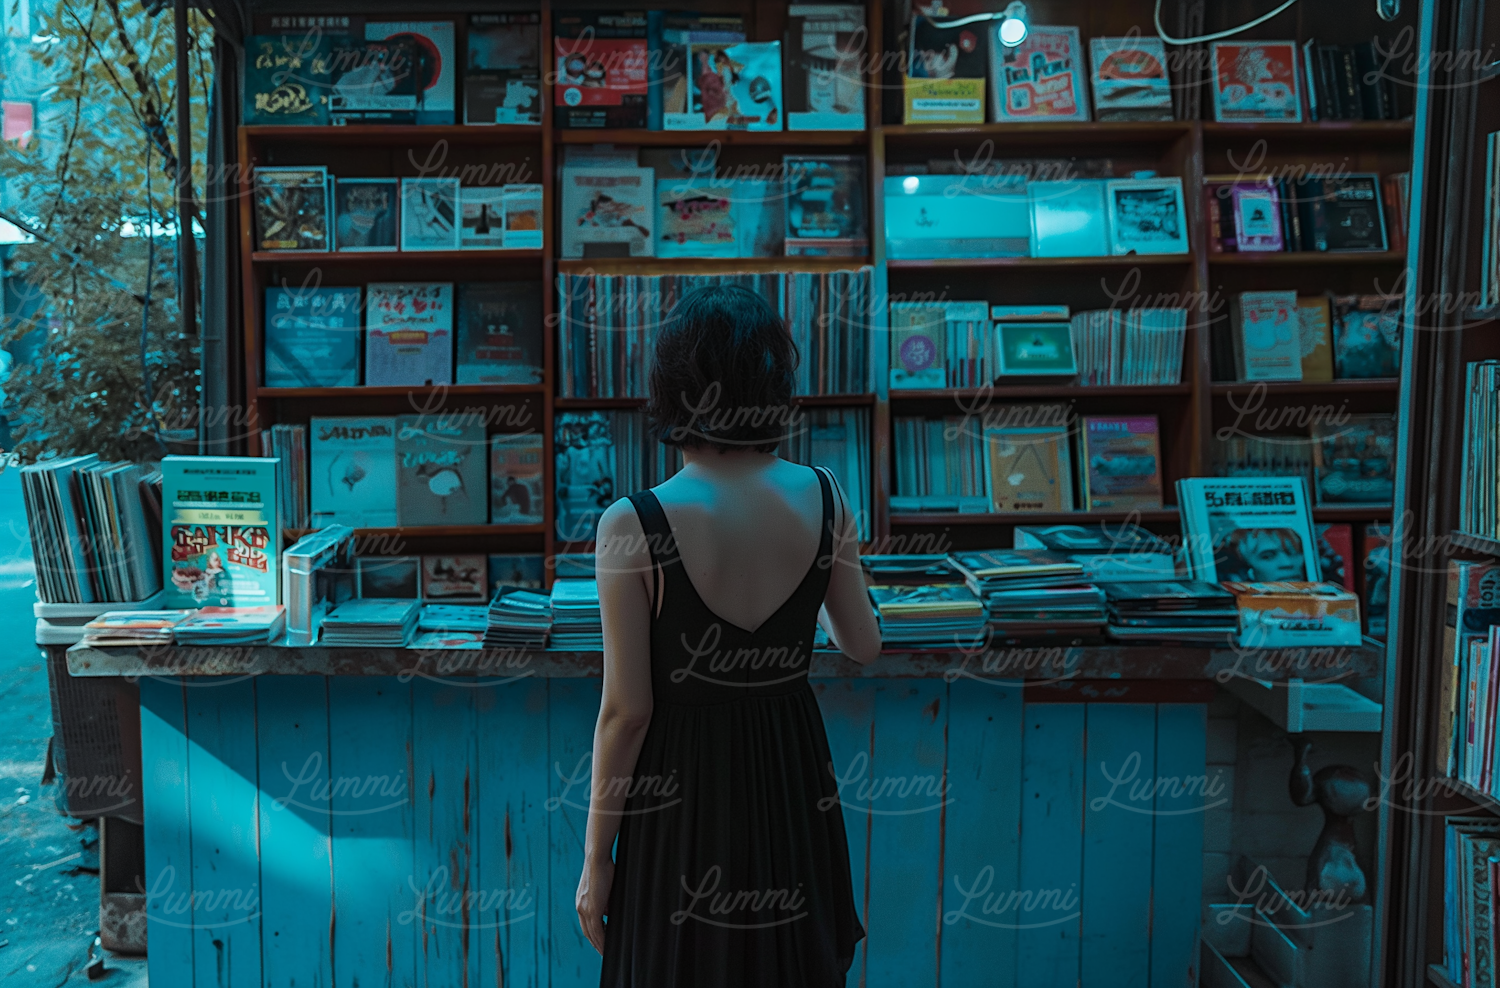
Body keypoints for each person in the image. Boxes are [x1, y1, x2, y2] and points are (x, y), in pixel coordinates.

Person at [576, 285, 880, 986]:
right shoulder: (826, 495)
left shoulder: (632, 524)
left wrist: (598, 861)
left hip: (679, 801)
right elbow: (862, 644)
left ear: (672, 387)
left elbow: (628, 712)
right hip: (790, 785)